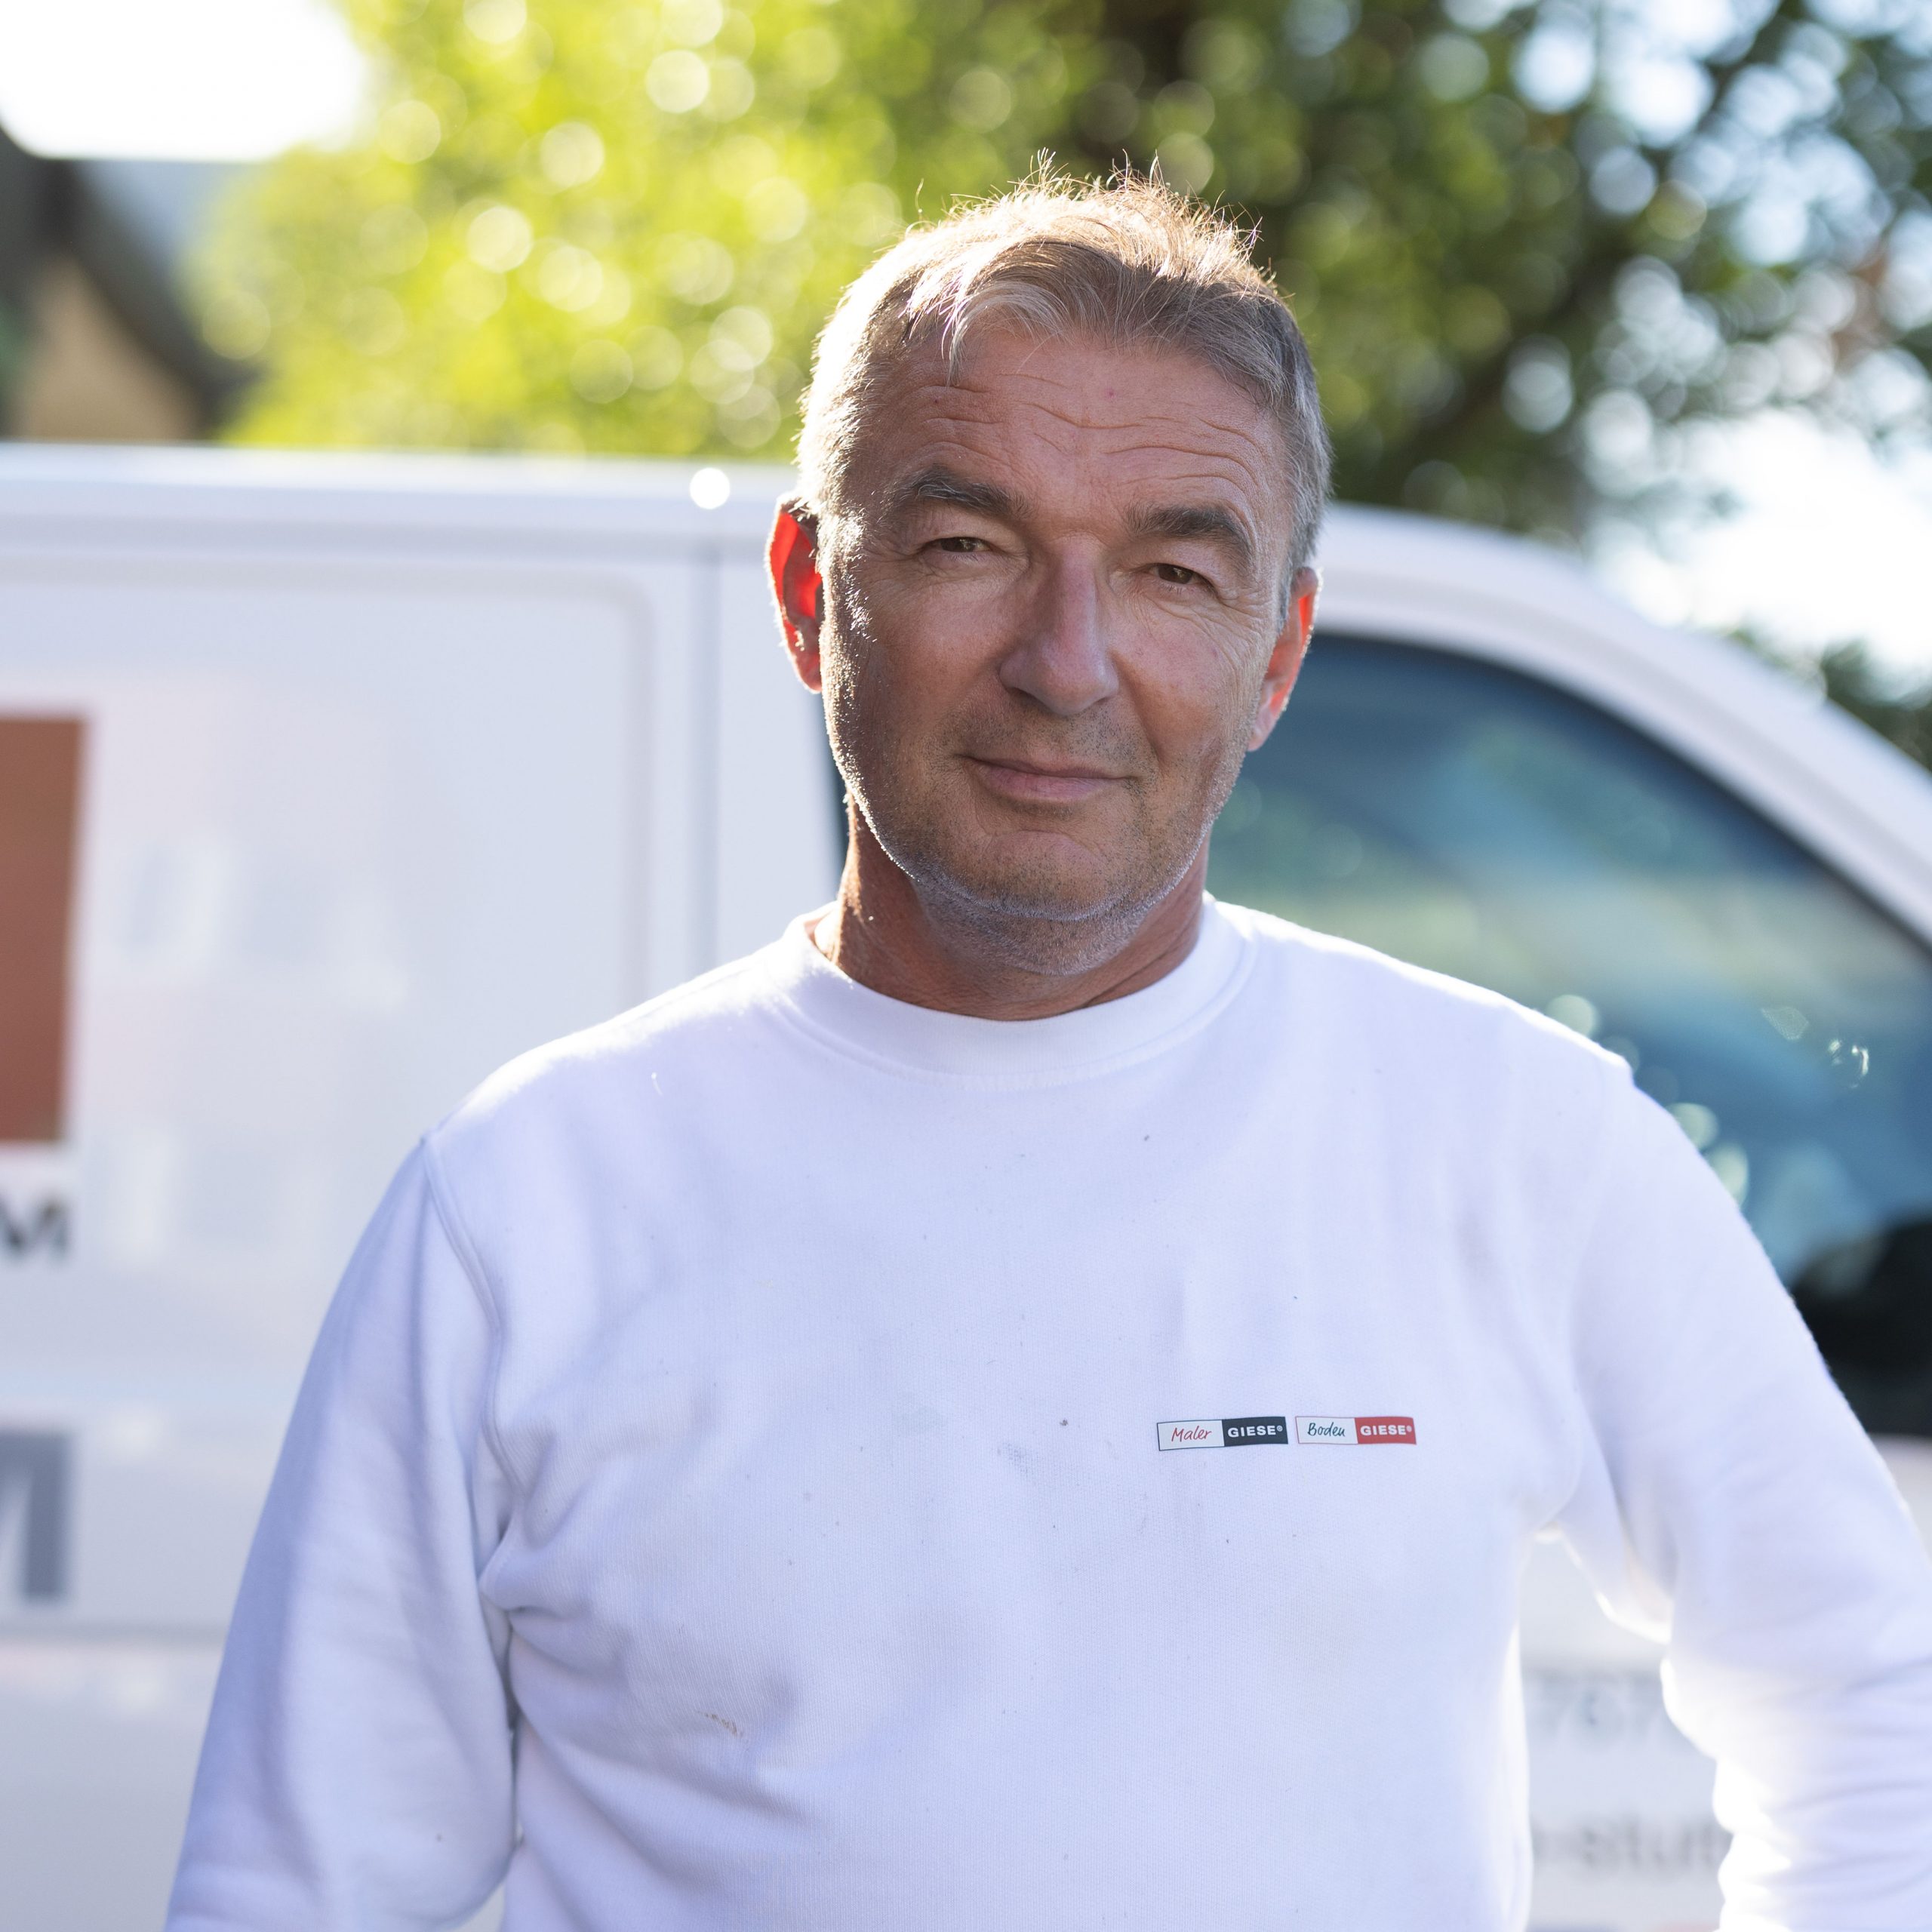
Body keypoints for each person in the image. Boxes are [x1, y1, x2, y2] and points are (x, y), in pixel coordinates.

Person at [167, 175, 1932, 1932]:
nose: (1067, 662)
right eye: (969, 545)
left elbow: (1868, 1699)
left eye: (1171, 571)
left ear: (1275, 656)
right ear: (807, 591)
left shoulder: (1515, 1144)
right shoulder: (523, 1206)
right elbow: (290, 1894)